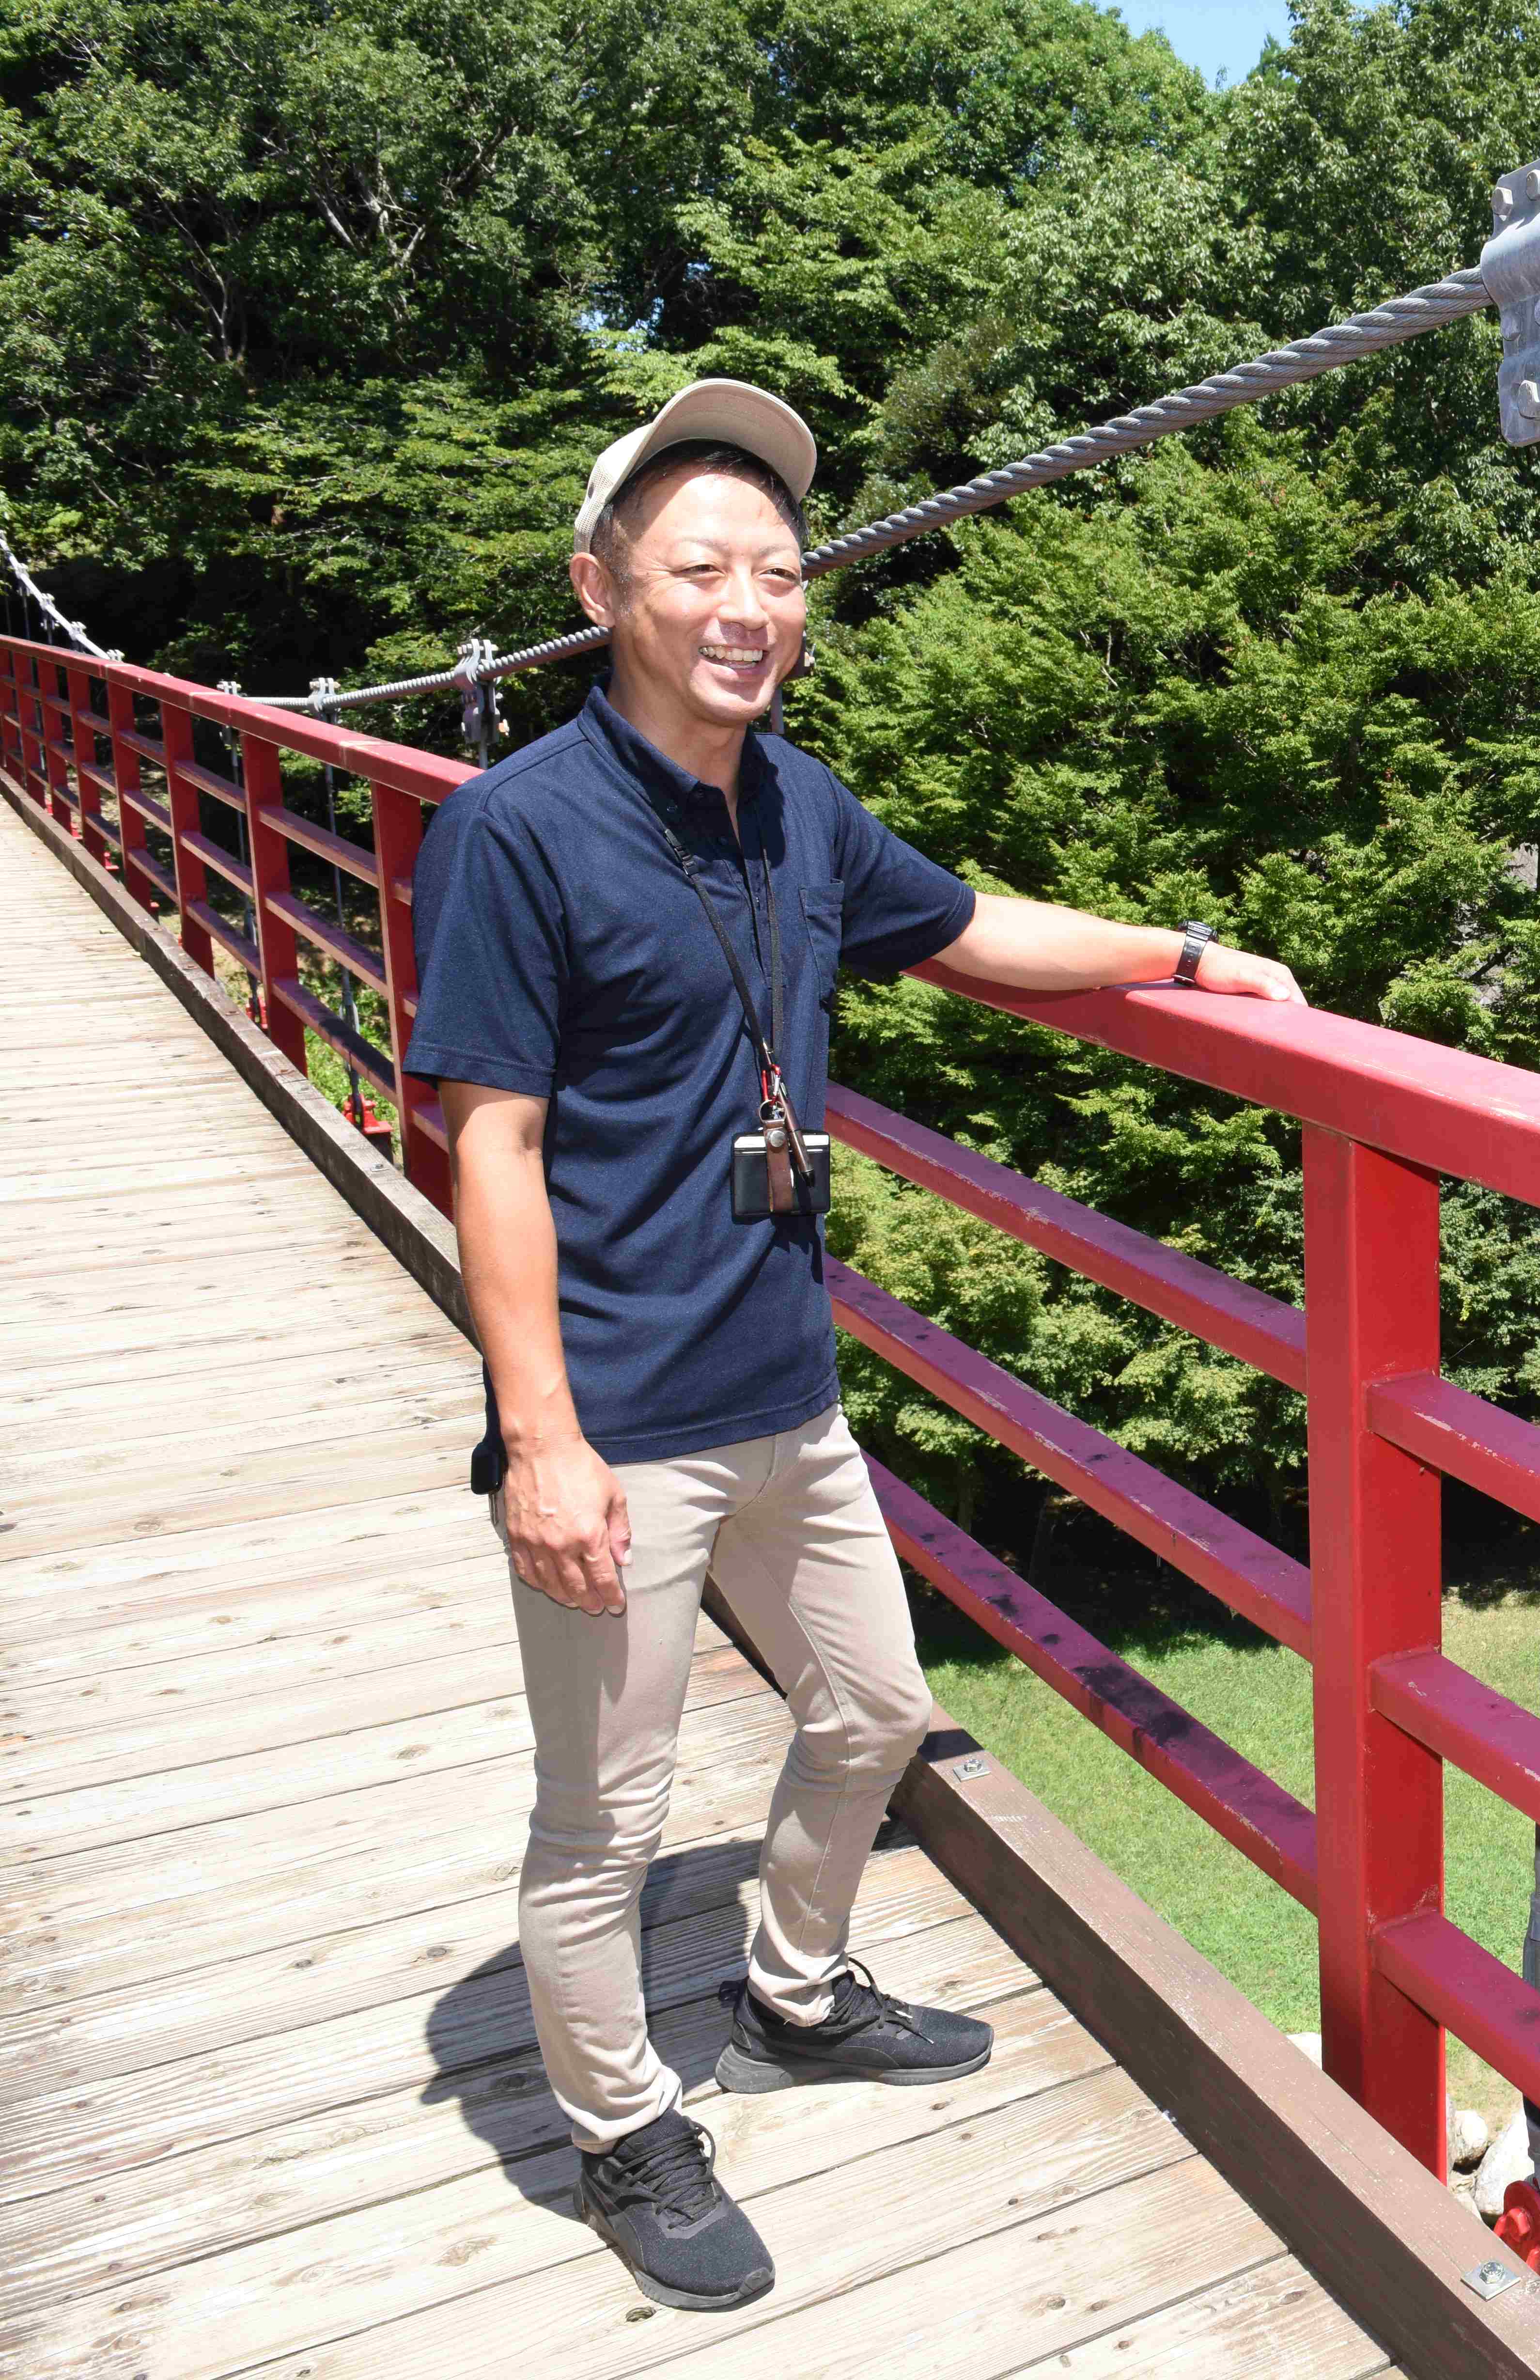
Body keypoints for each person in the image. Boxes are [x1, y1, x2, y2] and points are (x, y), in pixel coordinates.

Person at [404, 379, 1306, 2316]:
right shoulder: (515, 831)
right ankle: (624, 2121)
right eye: (700, 566)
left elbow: (973, 930)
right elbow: (492, 1142)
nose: (751, 602)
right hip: (620, 1419)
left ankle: (797, 1986)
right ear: (601, 585)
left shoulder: (795, 804)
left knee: (879, 1708)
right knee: (607, 1813)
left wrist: (1183, 950)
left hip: (784, 1387)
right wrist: (539, 1440)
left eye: (782, 571)